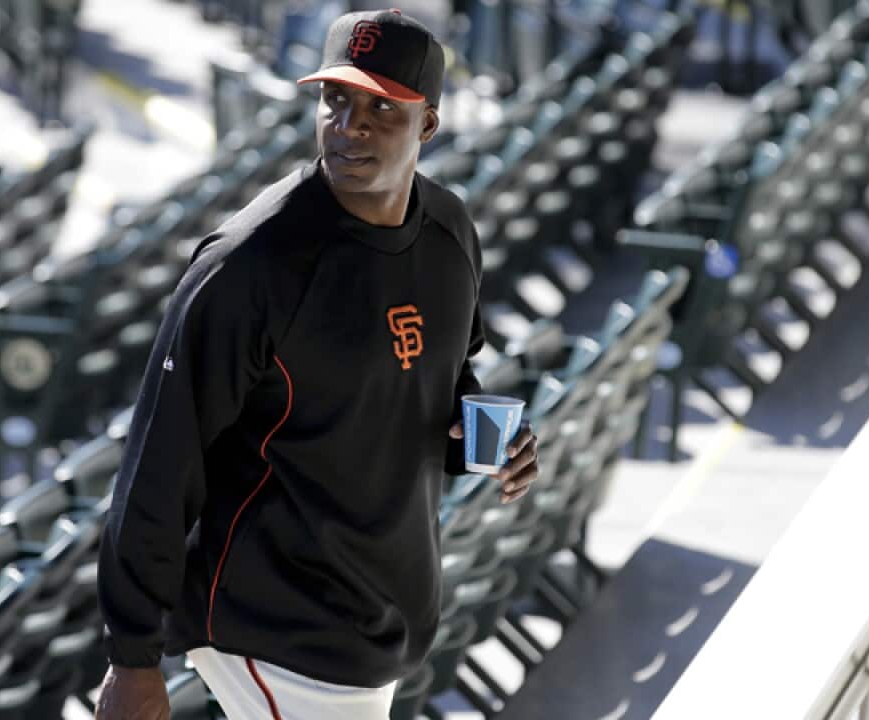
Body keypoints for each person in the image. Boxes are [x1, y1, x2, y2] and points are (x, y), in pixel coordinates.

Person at [95, 9, 540, 719]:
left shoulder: (451, 235)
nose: (349, 125)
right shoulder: (251, 264)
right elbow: (159, 458)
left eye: (380, 107)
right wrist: (132, 658)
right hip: (277, 624)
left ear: (427, 125)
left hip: (384, 608)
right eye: (335, 99)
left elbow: (442, 382)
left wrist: (490, 446)